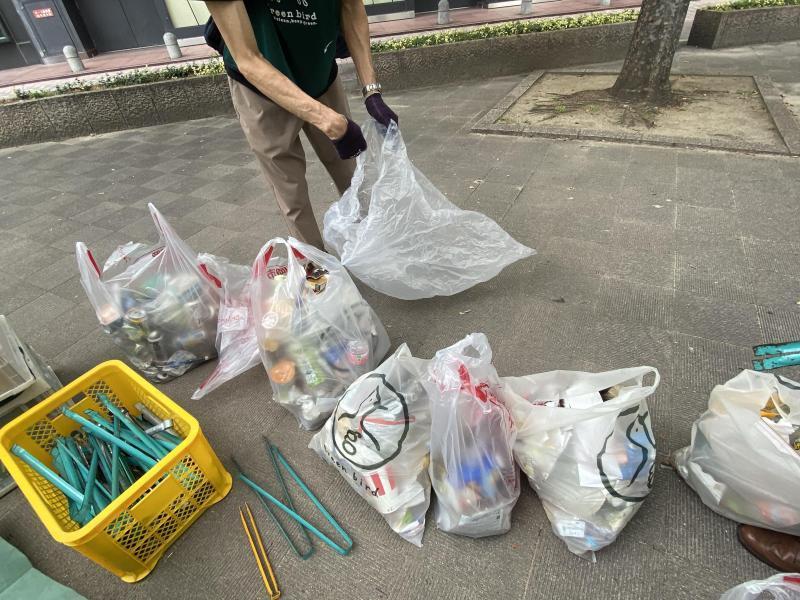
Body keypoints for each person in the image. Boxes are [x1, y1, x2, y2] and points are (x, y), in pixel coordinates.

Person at [205, 0, 398, 249]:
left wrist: (371, 91)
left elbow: (350, 7)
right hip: (260, 87)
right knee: (290, 189)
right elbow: (248, 58)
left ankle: (369, 241)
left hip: (318, 71)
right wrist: (327, 120)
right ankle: (315, 265)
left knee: (350, 170)